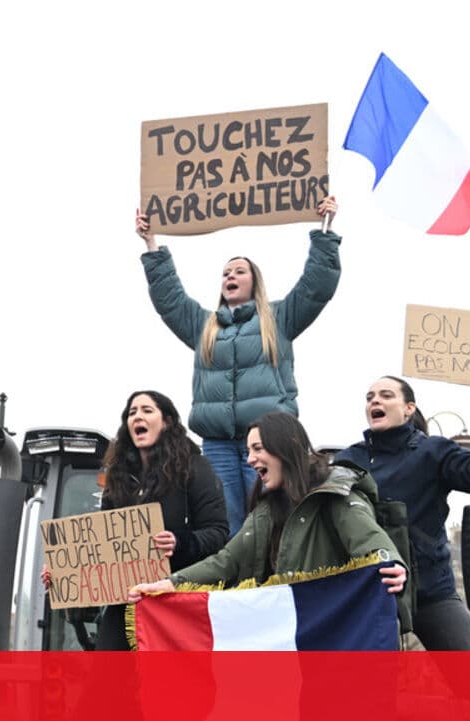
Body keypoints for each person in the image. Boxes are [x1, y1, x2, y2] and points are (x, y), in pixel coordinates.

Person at [136, 198, 341, 537]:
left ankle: (274, 584)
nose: (230, 275)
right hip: (217, 443)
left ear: (254, 282)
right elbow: (170, 299)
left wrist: (325, 230)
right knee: (226, 523)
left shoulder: (278, 319)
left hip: (268, 439)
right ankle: (233, 588)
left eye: (239, 271)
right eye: (225, 273)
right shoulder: (204, 327)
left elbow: (316, 288)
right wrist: (151, 244)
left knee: (273, 514)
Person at [128, 411, 406, 613]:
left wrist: (393, 566)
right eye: (248, 450)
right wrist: (170, 583)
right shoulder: (265, 511)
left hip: (330, 637)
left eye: (258, 449)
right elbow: (226, 561)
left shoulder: (337, 495)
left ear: (288, 447)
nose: (250, 460)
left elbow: (374, 545)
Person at [43, 390, 228, 650]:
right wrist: (63, 573)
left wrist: (180, 541)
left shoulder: (195, 468)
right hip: (125, 606)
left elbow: (218, 533)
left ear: (167, 422)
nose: (137, 416)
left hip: (175, 605)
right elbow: (102, 547)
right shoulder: (117, 480)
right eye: (132, 412)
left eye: (147, 410)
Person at [335, 374, 470, 650]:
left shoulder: (433, 451)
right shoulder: (348, 462)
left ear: (409, 408)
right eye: (370, 398)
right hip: (369, 593)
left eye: (386, 395)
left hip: (431, 591)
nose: (375, 401)